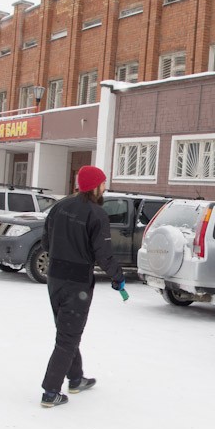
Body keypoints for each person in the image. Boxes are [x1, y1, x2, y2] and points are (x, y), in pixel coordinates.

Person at [40, 165, 127, 407]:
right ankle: (50, 392)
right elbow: (104, 254)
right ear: (95, 187)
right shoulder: (96, 214)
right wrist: (118, 277)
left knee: (67, 330)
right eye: (103, 183)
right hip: (76, 282)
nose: (105, 187)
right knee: (67, 337)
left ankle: (76, 378)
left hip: (54, 278)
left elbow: (46, 241)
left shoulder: (60, 206)